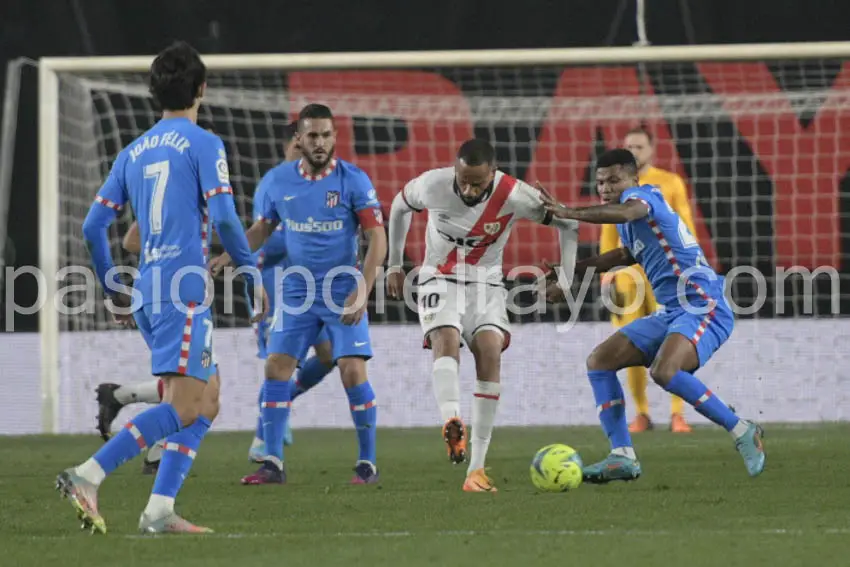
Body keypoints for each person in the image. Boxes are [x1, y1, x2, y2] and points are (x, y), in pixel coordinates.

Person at [56, 40, 267, 534]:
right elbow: (227, 222)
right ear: (201, 89)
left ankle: (159, 510)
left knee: (206, 398)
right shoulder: (203, 143)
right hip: (183, 292)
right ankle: (88, 475)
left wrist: (113, 289)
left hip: (150, 291)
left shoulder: (132, 152)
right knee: (184, 406)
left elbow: (92, 228)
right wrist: (252, 275)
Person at [94, 121, 336, 470]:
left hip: (292, 290)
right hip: (189, 292)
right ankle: (112, 464)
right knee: (202, 385)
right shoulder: (267, 186)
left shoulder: (310, 189)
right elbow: (134, 239)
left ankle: (124, 405)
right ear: (290, 145)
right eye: (299, 147)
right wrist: (190, 248)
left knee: (204, 383)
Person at [538, 148, 765, 483]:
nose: (606, 187)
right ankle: (622, 456)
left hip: (704, 305)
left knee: (664, 370)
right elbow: (624, 254)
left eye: (614, 180)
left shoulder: (642, 199)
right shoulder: (635, 222)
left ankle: (742, 429)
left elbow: (629, 211)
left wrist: (568, 212)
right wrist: (571, 271)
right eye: (600, 182)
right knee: (599, 361)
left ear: (634, 179)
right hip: (673, 311)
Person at [386, 139, 579, 492]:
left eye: (477, 183)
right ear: (455, 170)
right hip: (437, 276)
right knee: (445, 338)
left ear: (493, 174)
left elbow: (568, 225)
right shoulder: (433, 184)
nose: (468, 189)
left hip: (486, 284)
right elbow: (399, 206)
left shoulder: (515, 195)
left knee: (489, 352)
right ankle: (452, 422)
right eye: (463, 180)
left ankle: (475, 470)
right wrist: (395, 264)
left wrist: (565, 279)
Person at [212, 103, 387, 485]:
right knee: (276, 366)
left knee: (351, 369)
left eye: (326, 135)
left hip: (342, 288)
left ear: (335, 137)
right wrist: (231, 254)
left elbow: (377, 239)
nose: (320, 142)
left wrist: (363, 288)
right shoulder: (278, 181)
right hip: (296, 291)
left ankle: (368, 463)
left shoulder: (353, 181)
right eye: (312, 135)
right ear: (299, 139)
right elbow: (263, 228)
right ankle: (272, 462)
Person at [599, 128, 698, 434]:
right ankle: (641, 412)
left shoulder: (669, 182)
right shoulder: (615, 188)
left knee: (675, 339)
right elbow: (609, 230)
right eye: (628, 146)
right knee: (629, 341)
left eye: (639, 146)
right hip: (629, 275)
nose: (634, 151)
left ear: (652, 150)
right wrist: (607, 273)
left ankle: (677, 413)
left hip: (665, 273)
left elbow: (685, 226)